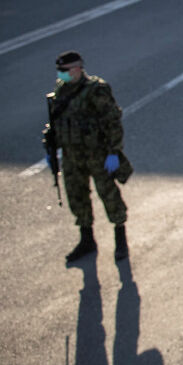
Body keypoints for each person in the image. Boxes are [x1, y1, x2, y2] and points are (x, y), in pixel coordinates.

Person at [43, 51, 134, 264]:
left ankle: (120, 239)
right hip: (71, 155)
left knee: (109, 195)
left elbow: (113, 122)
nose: (61, 74)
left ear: (77, 69)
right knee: (77, 196)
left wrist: (113, 153)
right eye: (59, 71)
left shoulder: (96, 90)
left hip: (97, 154)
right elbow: (57, 122)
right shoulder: (61, 90)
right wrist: (51, 146)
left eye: (64, 71)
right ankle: (87, 240)